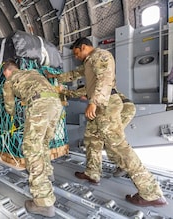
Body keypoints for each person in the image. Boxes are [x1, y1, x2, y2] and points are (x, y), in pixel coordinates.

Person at [50, 37, 167, 207]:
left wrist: (93, 102)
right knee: (91, 139)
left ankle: (151, 192)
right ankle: (92, 173)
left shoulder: (101, 55)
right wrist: (54, 77)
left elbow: (104, 79)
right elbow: (74, 74)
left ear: (83, 47)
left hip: (106, 104)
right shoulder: (89, 63)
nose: (75, 57)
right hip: (100, 105)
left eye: (76, 53)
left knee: (118, 146)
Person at [2, 59, 63, 217]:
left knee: (31, 149)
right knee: (43, 143)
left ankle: (43, 202)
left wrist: (13, 115)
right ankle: (48, 174)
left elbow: (9, 106)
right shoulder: (33, 73)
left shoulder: (9, 81)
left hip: (39, 105)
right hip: (55, 104)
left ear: (7, 71)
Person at [45, 75, 135, 177]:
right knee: (106, 138)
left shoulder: (89, 88)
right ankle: (100, 170)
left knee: (108, 139)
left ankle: (123, 165)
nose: (83, 99)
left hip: (120, 109)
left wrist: (59, 90)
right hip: (125, 108)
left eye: (82, 96)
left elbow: (73, 93)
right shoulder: (97, 94)